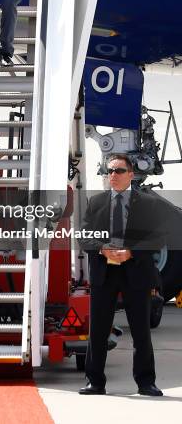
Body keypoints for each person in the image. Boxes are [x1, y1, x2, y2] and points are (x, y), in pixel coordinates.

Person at [78, 153, 165, 397]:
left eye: (118, 171)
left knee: (140, 331)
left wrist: (131, 253)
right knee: (98, 331)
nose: (112, 176)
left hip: (136, 272)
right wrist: (103, 248)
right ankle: (95, 382)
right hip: (104, 274)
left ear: (131, 174)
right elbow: (84, 237)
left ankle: (146, 383)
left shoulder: (149, 204)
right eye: (109, 171)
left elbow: (158, 238)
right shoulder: (95, 203)